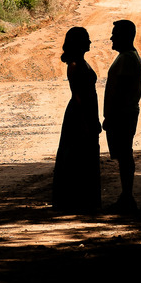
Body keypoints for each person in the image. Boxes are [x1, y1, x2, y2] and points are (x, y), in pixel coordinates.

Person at [51, 26, 102, 213]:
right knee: (77, 155)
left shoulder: (80, 62)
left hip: (84, 111)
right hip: (79, 113)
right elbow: (79, 96)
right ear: (79, 43)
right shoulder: (74, 66)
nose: (90, 42)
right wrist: (86, 121)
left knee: (81, 155)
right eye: (86, 39)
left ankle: (81, 199)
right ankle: (75, 200)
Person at [103, 19, 141, 213]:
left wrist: (110, 116)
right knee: (124, 154)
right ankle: (126, 196)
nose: (112, 37)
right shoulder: (128, 56)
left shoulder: (127, 58)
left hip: (123, 114)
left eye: (115, 33)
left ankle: (127, 196)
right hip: (125, 113)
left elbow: (120, 91)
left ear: (125, 36)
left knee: (125, 154)